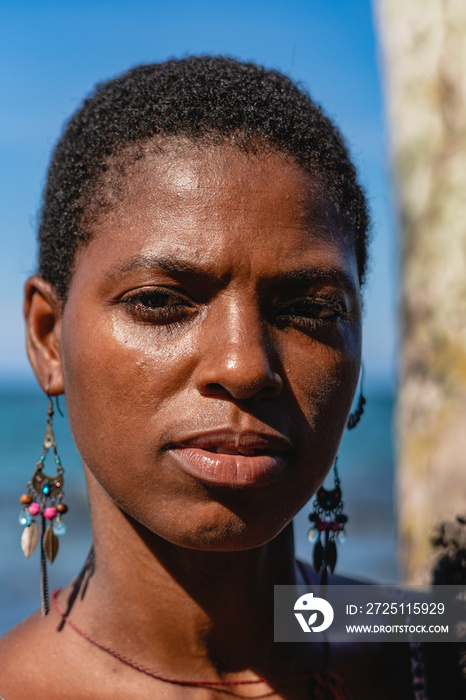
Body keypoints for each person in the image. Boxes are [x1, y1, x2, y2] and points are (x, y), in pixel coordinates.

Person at [0, 56, 419, 699]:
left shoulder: (422, 637)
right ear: (48, 337)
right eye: (160, 301)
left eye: (312, 310)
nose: (245, 366)